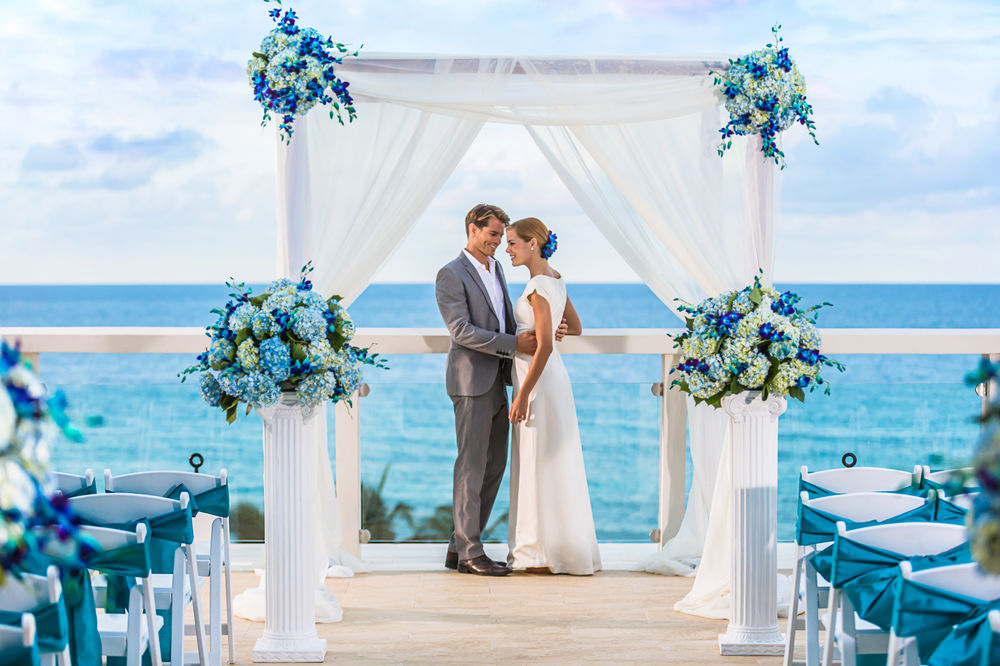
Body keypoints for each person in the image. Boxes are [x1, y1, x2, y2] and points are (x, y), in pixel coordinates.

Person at [435, 204, 536, 576]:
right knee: (471, 467)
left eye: (500, 235)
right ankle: (471, 554)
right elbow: (460, 330)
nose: (498, 242)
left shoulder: (495, 270)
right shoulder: (450, 274)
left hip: (498, 379)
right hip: (470, 382)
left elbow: (506, 319)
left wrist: (537, 333)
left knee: (495, 465)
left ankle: (457, 547)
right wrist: (513, 344)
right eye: (492, 234)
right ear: (472, 230)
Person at [504, 217, 602, 575]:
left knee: (536, 460)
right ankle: (555, 548)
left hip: (539, 381)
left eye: (512, 243)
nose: (507, 250)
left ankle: (536, 553)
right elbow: (575, 327)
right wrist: (557, 325)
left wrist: (521, 395)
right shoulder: (555, 279)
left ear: (533, 243)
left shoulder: (537, 285)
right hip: (553, 379)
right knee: (550, 460)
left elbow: (543, 347)